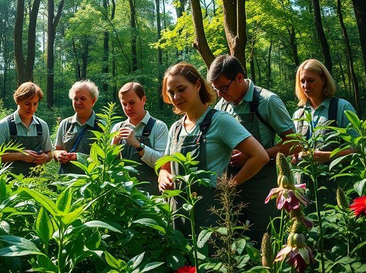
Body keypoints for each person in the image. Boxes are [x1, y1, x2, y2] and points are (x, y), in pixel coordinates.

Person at [158, 62, 269, 240]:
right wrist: (162, 177)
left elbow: (260, 156)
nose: (176, 96)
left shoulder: (220, 121)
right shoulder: (175, 129)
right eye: (171, 92)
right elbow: (165, 166)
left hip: (212, 217)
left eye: (181, 89)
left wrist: (230, 185)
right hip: (179, 216)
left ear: (197, 85)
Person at [208, 54, 298, 243]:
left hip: (262, 185)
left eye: (223, 88)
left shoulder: (267, 101)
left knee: (265, 237)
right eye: (216, 90)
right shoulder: (223, 105)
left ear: (239, 78)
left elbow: (294, 144)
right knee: (234, 238)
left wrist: (254, 156)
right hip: (233, 184)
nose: (221, 94)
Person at [292, 59, 356, 162]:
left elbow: (357, 149)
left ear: (324, 80)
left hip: (336, 176)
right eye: (302, 81)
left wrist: (330, 156)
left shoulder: (341, 107)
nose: (306, 85)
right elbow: (294, 150)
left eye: (311, 80)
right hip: (304, 177)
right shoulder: (298, 115)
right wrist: (294, 157)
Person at [111, 82, 169, 195]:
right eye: (124, 104)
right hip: (124, 195)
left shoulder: (159, 127)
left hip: (152, 197)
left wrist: (138, 145)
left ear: (143, 100)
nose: (128, 108)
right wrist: (113, 146)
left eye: (132, 103)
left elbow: (162, 163)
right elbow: (109, 166)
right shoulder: (117, 128)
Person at [0, 82, 53, 176]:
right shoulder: (5, 125)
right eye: (27, 103)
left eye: (35, 104)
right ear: (18, 101)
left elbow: (50, 153)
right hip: (9, 184)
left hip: (36, 184)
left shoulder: (42, 126)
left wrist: (45, 157)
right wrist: (20, 156)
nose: (31, 108)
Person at [53, 80, 102, 175]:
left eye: (83, 99)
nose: (78, 102)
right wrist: (59, 155)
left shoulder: (102, 126)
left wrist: (78, 157)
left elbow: (106, 158)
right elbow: (57, 149)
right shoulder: (65, 124)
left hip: (92, 182)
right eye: (75, 99)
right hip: (66, 181)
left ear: (93, 101)